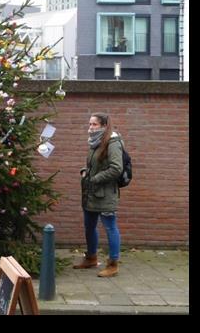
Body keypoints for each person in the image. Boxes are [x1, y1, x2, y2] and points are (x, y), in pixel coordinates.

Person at [74, 112, 123, 278]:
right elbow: (96, 165)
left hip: (106, 194)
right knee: (89, 226)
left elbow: (116, 168)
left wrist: (94, 178)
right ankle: (91, 258)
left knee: (110, 227)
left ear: (103, 126)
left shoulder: (112, 142)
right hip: (91, 193)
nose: (90, 128)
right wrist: (85, 172)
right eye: (89, 124)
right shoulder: (96, 142)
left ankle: (113, 264)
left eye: (94, 124)